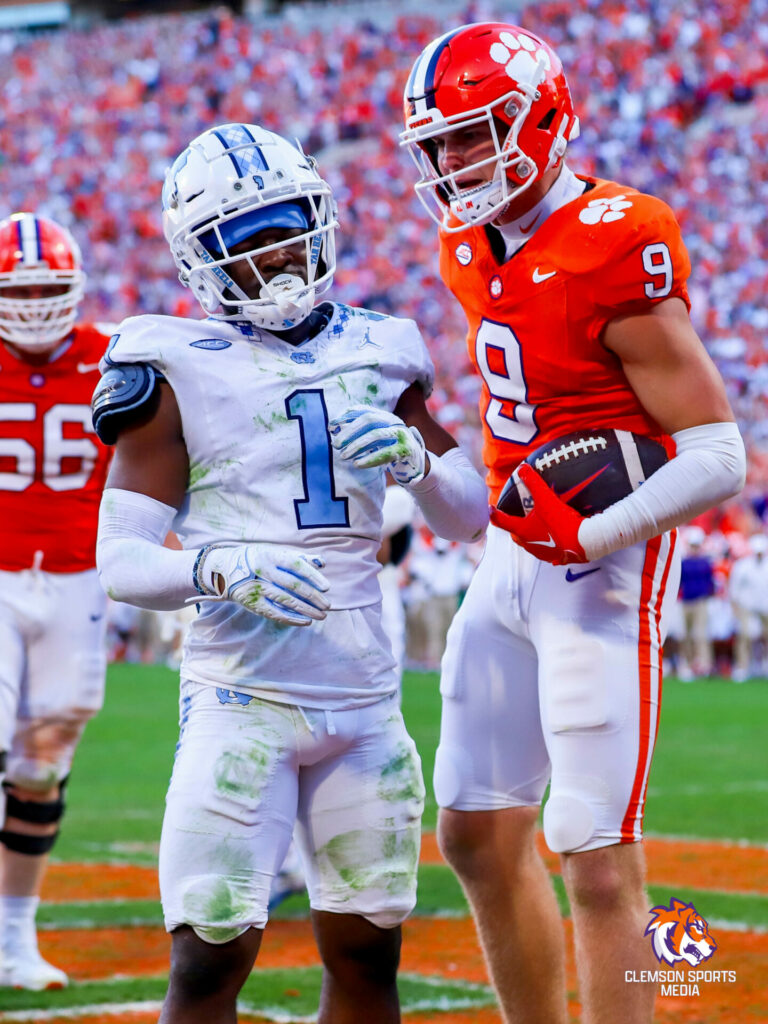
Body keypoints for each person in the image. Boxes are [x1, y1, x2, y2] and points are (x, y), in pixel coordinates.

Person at [92, 122, 488, 1024]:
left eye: (287, 223)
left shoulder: (384, 346)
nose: (275, 251)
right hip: (242, 698)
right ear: (201, 257)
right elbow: (119, 561)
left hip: (363, 701)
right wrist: (223, 566)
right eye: (244, 236)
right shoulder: (168, 359)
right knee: (207, 964)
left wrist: (419, 465)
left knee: (368, 961)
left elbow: (470, 515)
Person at [400, 23, 746, 1024]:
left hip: (602, 569)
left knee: (596, 858)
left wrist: (594, 534)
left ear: (544, 118)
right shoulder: (465, 241)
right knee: (471, 831)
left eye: (477, 134)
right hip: (510, 556)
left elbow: (719, 453)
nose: (457, 162)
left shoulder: (617, 236)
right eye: (443, 144)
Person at [0, 213, 112, 989]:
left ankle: (12, 940)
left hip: (77, 581)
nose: (36, 303)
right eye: (21, 288)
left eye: (49, 287)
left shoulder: (119, 357)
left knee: (40, 769)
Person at [677, 526, 715, 680]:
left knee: (701, 634)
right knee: (685, 635)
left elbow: (710, 584)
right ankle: (686, 664)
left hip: (700, 601)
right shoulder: (684, 562)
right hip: (686, 601)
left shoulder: (705, 563)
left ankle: (704, 664)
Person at [729, 534, 768, 681]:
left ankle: (764, 665)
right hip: (747, 606)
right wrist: (735, 607)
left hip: (765, 607)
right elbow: (734, 588)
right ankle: (742, 666)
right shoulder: (743, 565)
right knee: (744, 637)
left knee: (766, 638)